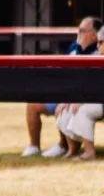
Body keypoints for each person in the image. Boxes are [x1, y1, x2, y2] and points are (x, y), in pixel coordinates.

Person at [22, 16, 102, 157]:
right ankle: (34, 146)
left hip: (79, 98)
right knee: (33, 104)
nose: (78, 33)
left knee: (69, 108)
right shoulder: (73, 48)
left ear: (94, 35)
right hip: (64, 94)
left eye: (82, 30)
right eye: (78, 30)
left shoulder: (98, 54)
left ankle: (65, 146)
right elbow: (61, 72)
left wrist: (71, 98)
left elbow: (91, 85)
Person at [56, 27, 104, 160]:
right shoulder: (95, 59)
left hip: (99, 101)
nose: (98, 46)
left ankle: (89, 153)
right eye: (98, 42)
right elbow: (84, 84)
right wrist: (69, 99)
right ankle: (72, 150)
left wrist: (82, 100)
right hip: (95, 99)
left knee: (83, 111)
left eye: (101, 42)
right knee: (66, 110)